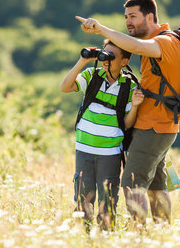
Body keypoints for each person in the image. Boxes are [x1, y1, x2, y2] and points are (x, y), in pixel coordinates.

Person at [75, 0, 180, 224]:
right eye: (126, 17)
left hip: (153, 127)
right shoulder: (161, 41)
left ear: (151, 16)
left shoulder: (165, 42)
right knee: (157, 183)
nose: (128, 22)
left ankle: (140, 237)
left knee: (132, 183)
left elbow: (133, 46)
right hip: (160, 126)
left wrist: (100, 29)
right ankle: (163, 232)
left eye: (133, 16)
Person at [60, 39, 144, 229]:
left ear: (125, 60)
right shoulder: (92, 75)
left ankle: (106, 236)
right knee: (83, 198)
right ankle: (84, 236)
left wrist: (136, 107)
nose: (106, 60)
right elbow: (65, 87)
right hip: (84, 148)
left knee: (108, 199)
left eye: (112, 57)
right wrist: (83, 61)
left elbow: (127, 124)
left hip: (110, 152)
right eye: (104, 55)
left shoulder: (129, 86)